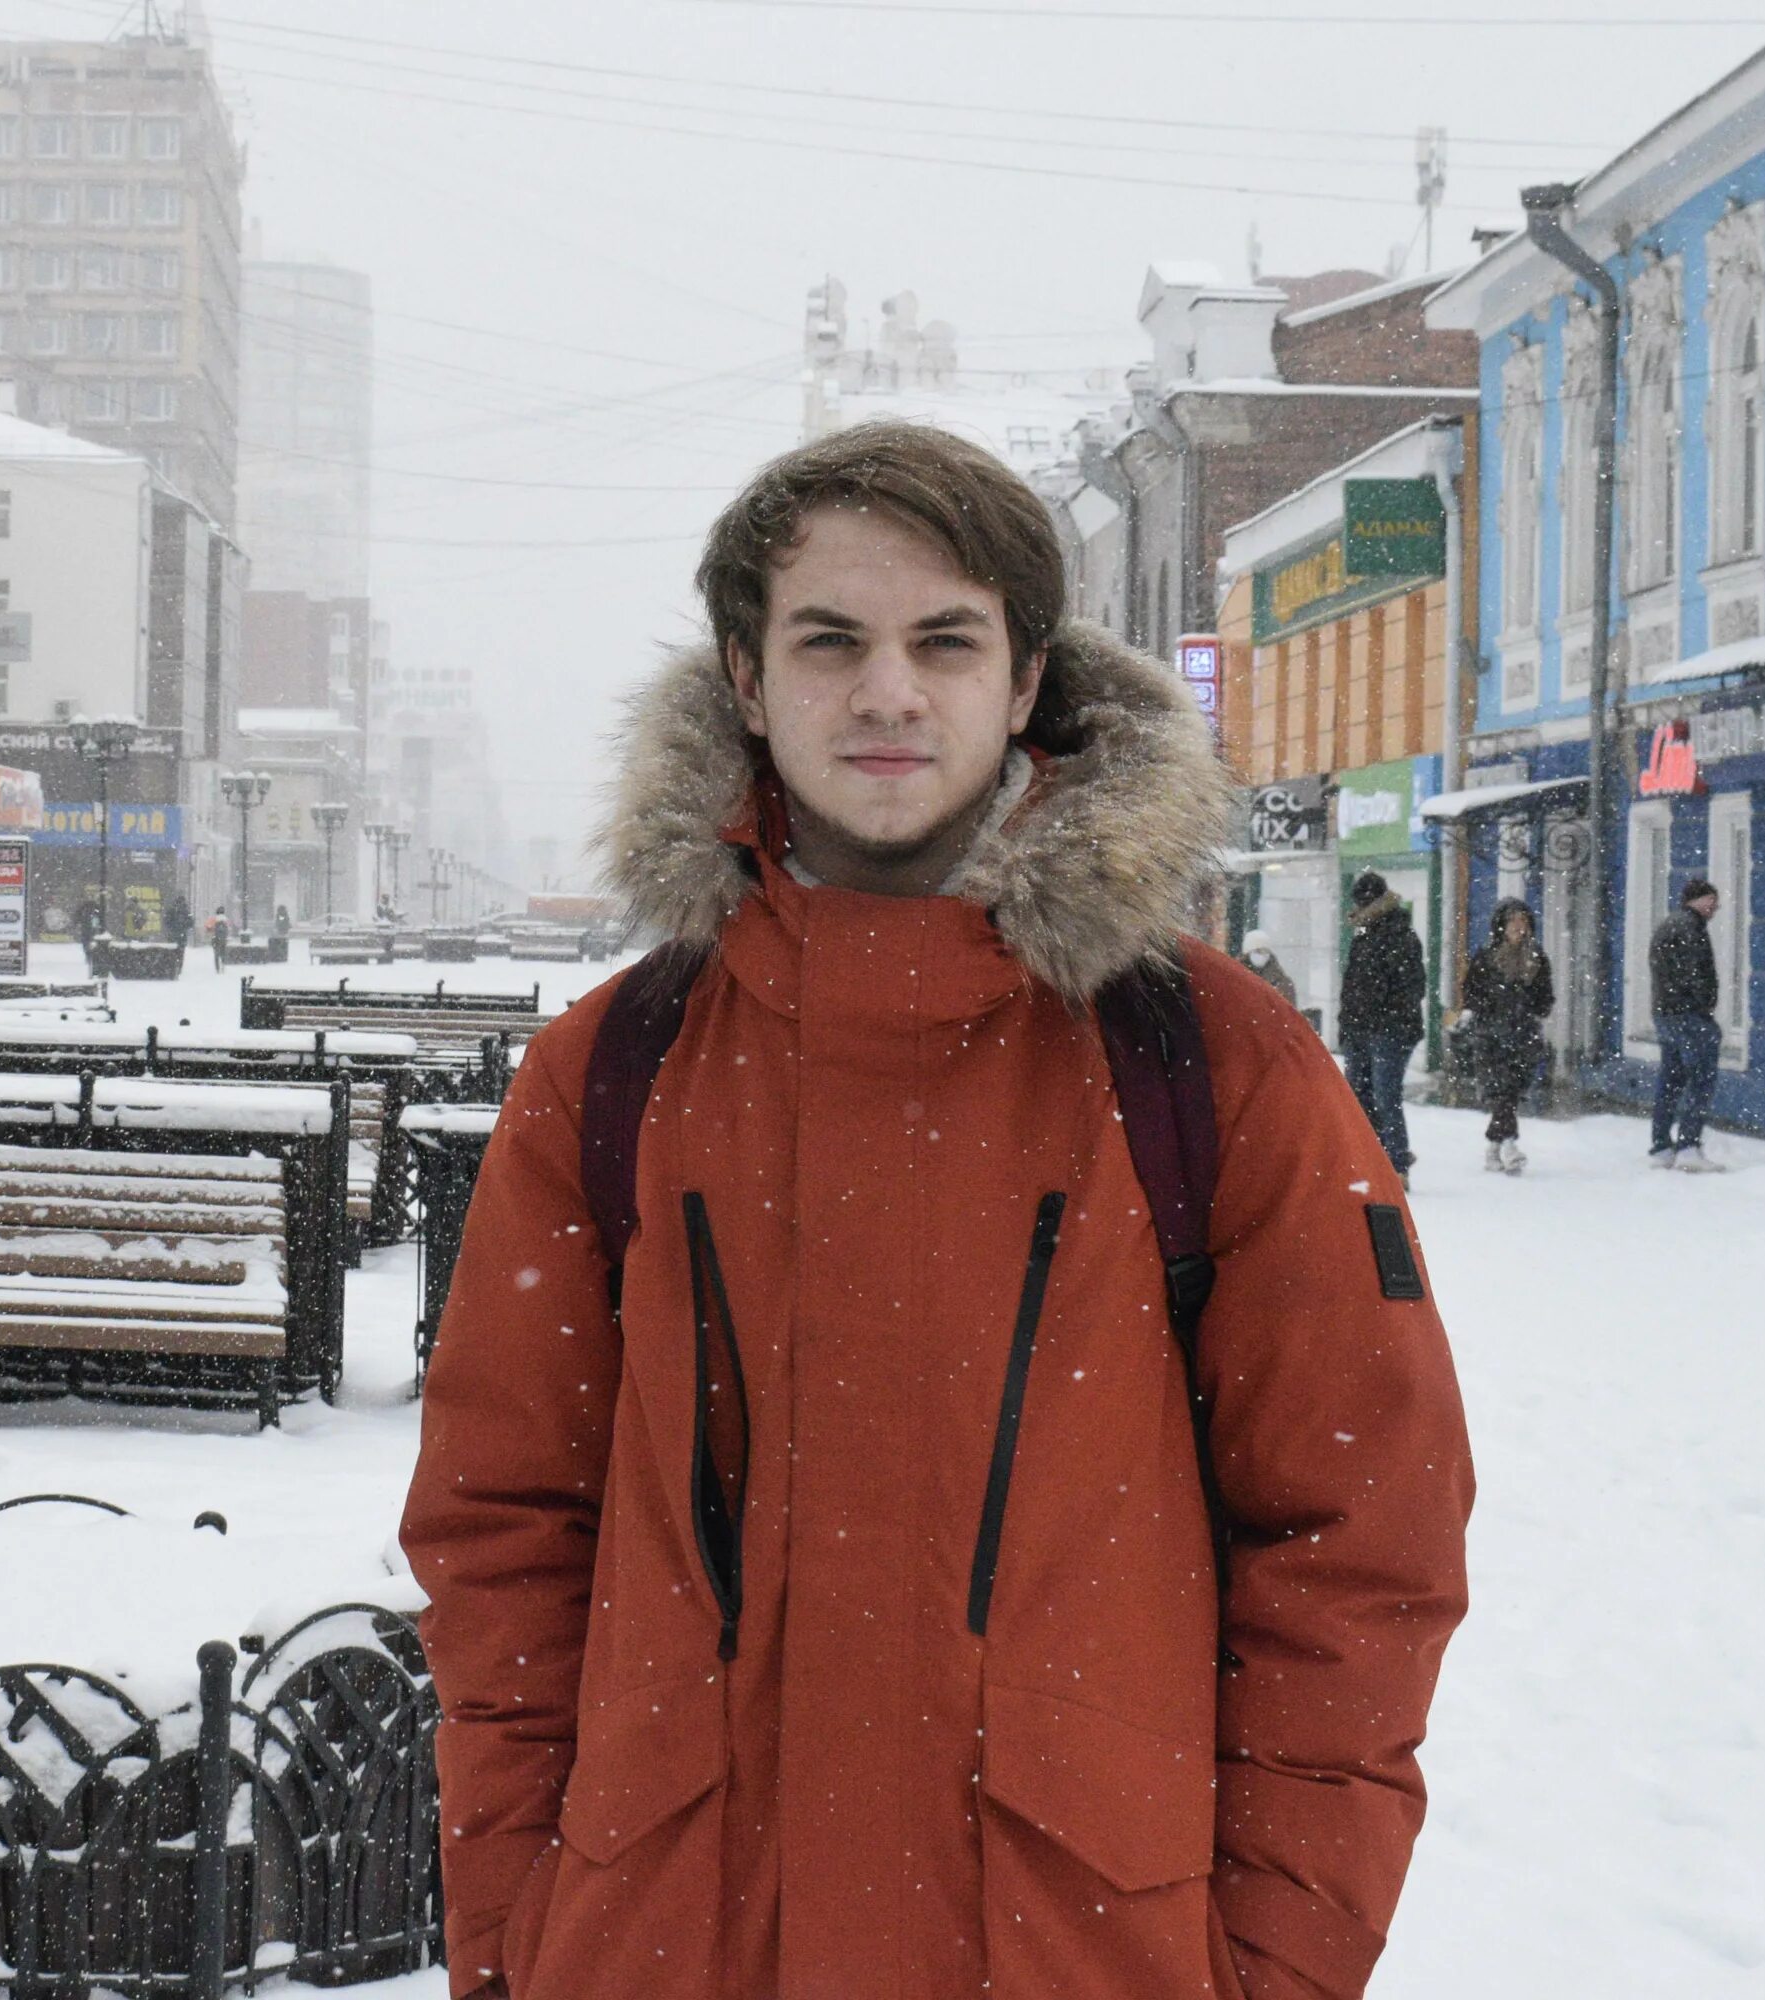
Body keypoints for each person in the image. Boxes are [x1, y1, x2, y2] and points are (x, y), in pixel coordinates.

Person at [402, 422, 1473, 2000]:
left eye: (943, 642)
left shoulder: (1208, 1061)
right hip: (667, 1947)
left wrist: (1273, 1964)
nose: (887, 694)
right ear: (747, 681)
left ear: (1027, 680)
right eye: (828, 641)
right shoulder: (614, 1071)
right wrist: (517, 1935)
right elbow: (505, 1536)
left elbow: (1359, 1543)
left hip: (1086, 1951)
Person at [1338, 868, 1427, 1182]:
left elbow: (1414, 986)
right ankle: (1373, 1159)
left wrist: (1383, 1017)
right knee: (1360, 1096)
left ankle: (1396, 1162)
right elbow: (1352, 987)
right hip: (1362, 1029)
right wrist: (1348, 1027)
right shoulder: (1364, 935)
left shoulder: (1398, 935)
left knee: (1384, 1094)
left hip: (1390, 1031)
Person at [1460, 897, 1555, 1174]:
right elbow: (1471, 993)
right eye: (1513, 920)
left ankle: (1493, 1147)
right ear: (1501, 925)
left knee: (1511, 1094)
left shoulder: (1537, 959)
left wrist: (1532, 1005)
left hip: (1523, 1036)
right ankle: (1510, 1146)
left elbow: (1545, 998)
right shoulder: (1486, 957)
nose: (1518, 926)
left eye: (1523, 921)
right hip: (1490, 1036)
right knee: (1501, 1091)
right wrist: (1491, 1008)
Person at [1648, 876, 1726, 1171]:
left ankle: (1660, 1145)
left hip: (1665, 1013)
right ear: (1701, 899)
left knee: (1670, 1080)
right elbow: (1696, 973)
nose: (1715, 907)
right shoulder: (1691, 928)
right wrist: (1704, 1006)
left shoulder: (1668, 925)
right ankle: (1689, 1145)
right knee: (1700, 1079)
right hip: (1689, 1015)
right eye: (1712, 901)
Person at [1240, 925, 1297, 1006]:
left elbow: (1290, 1014)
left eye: (1265, 951)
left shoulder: (1283, 983)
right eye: (1258, 951)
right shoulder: (1235, 979)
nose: (1262, 955)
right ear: (1247, 954)